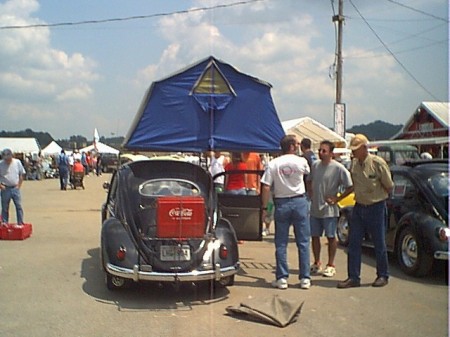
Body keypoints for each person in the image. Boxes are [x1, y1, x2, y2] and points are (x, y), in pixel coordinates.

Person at [337, 134, 394, 289]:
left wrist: (378, 199)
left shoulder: (377, 163)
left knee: (379, 243)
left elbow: (389, 186)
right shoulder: (354, 164)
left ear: (364, 148)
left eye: (355, 149)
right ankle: (353, 277)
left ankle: (383, 275)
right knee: (353, 243)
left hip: (376, 207)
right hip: (359, 207)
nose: (353, 153)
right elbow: (354, 185)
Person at [261, 135, 311, 290]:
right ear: (291, 146)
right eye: (296, 144)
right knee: (303, 242)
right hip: (299, 201)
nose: (298, 146)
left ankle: (282, 278)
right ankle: (305, 278)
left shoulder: (273, 163)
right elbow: (307, 177)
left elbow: (266, 186)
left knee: (281, 243)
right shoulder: (302, 162)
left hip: (282, 202)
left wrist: (264, 208)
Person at [307, 140, 353, 277]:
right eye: (320, 150)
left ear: (331, 153)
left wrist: (337, 199)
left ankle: (331, 264)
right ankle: (316, 262)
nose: (321, 153)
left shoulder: (338, 168)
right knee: (315, 236)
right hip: (315, 209)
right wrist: (311, 193)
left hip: (329, 210)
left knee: (331, 236)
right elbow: (309, 180)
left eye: (324, 151)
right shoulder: (315, 166)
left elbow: (350, 186)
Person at [0, 148, 26, 226]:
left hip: (15, 187)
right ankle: (5, 222)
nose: (7, 161)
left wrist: (19, 185)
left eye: (8, 158)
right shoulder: (1, 164)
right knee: (5, 207)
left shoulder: (17, 162)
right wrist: (0, 185)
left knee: (18, 206)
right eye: (5, 159)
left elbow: (21, 174)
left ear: (12, 156)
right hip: (5, 188)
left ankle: (20, 222)